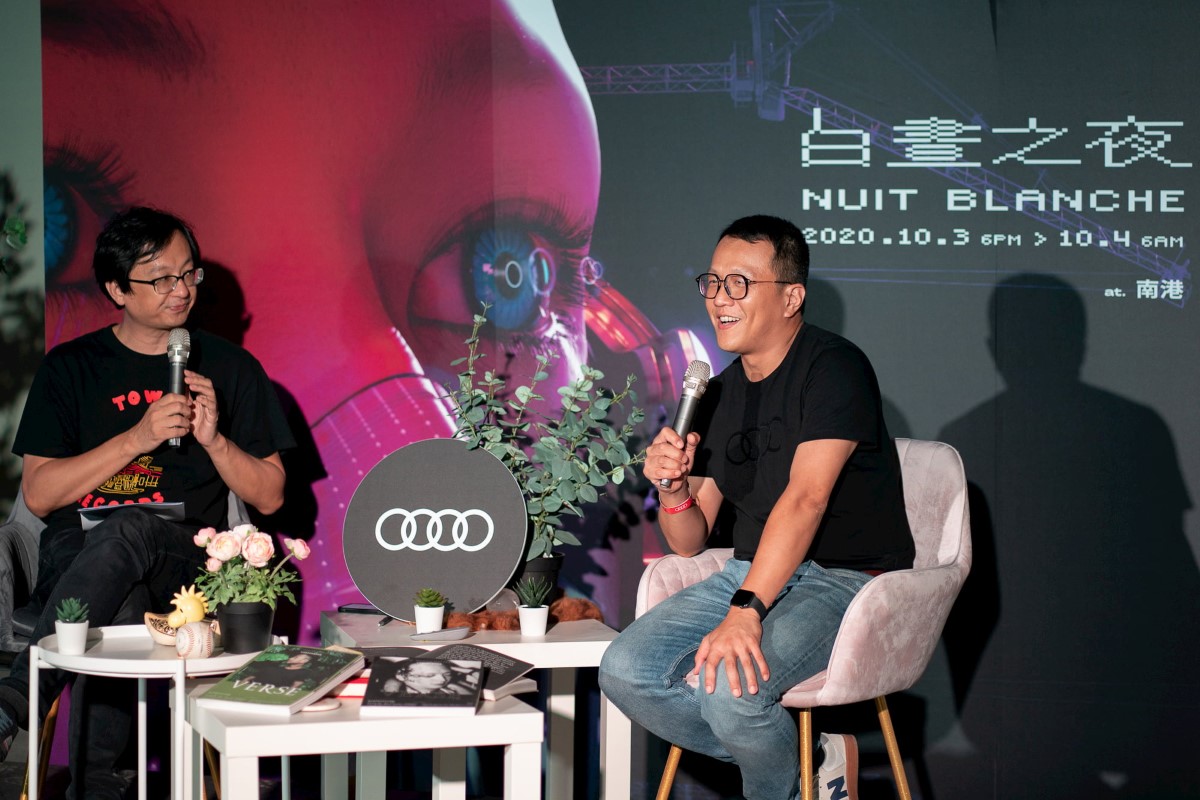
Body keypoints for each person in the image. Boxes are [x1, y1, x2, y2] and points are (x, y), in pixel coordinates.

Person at [598, 215, 914, 800]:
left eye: (739, 283)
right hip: (750, 571)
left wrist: (746, 610)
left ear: (791, 297)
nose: (720, 298)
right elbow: (689, 540)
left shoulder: (834, 367)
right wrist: (673, 488)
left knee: (731, 692)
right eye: (713, 282)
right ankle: (808, 763)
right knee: (625, 670)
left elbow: (806, 497)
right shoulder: (718, 390)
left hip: (845, 578)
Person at [0, 207, 295, 799]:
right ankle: (102, 787)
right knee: (122, 591)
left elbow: (271, 493)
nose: (180, 290)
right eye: (160, 279)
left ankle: (15, 699)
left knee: (131, 529)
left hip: (184, 560)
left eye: (188, 274)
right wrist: (137, 438)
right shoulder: (70, 369)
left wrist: (214, 440)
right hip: (78, 554)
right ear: (117, 290)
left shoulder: (231, 368)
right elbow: (39, 493)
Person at [381, 659, 476, 696]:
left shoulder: (452, 688)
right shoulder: (392, 689)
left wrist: (471, 671)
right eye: (429, 675)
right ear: (402, 676)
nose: (442, 679)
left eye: (447, 674)